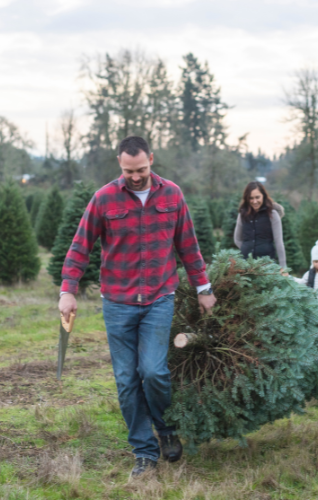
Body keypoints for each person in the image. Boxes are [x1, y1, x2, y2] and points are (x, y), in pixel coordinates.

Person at [58, 136, 216, 478]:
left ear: (152, 160)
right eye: (129, 170)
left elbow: (188, 245)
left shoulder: (172, 194)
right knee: (126, 380)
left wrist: (203, 287)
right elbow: (79, 248)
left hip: (160, 298)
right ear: (119, 163)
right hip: (117, 302)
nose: (135, 176)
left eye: (141, 169)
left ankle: (167, 428)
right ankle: (144, 452)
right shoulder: (104, 198)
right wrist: (68, 291)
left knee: (154, 372)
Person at [233, 182, 286, 269]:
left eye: (257, 197)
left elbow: (279, 243)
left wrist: (283, 267)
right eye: (251, 198)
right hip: (246, 266)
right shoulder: (242, 215)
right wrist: (247, 249)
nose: (254, 201)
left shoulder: (272, 214)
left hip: (267, 265)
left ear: (263, 196)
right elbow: (237, 239)